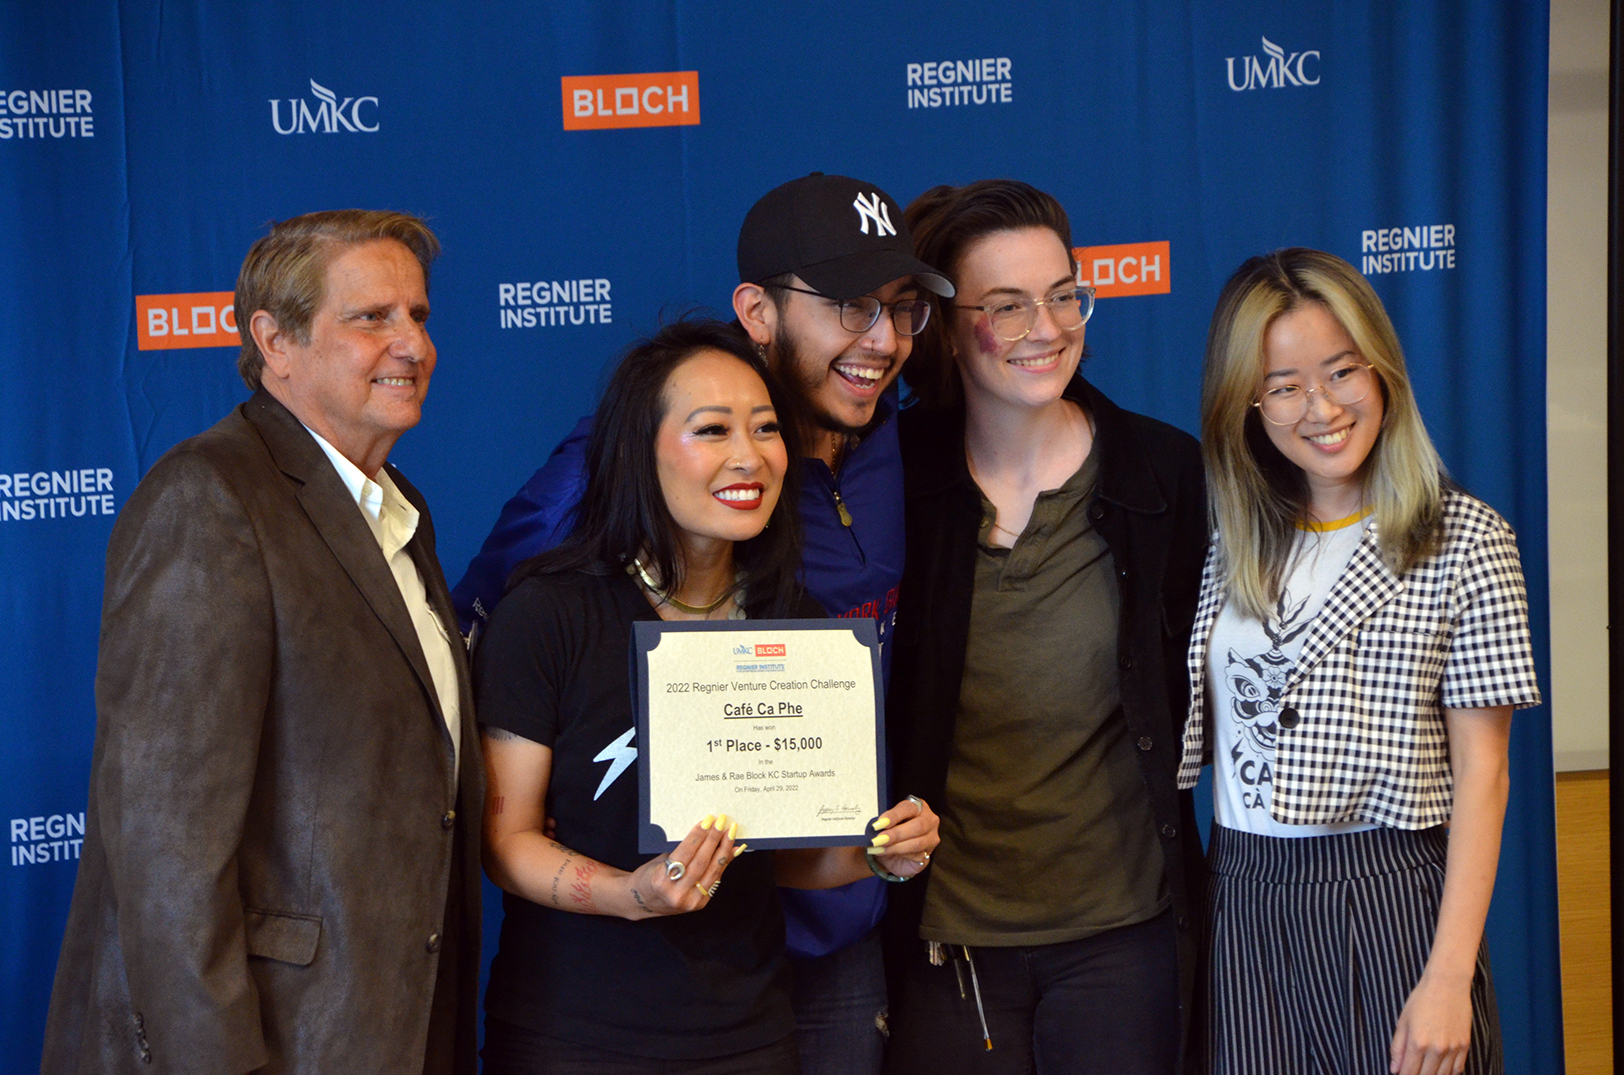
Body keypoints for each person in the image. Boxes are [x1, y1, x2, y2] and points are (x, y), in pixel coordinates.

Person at [452, 173, 954, 1075]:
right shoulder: (596, 503)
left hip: (803, 958)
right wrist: (611, 863)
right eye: (849, 306)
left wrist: (880, 851)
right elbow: (481, 631)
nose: (882, 340)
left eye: (901, 309)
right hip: (600, 997)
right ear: (759, 312)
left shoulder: (889, 445)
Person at [40, 210, 483, 1074]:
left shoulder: (400, 509)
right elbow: (166, 851)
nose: (414, 345)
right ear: (275, 341)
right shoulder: (209, 500)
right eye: (372, 317)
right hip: (267, 1046)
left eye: (419, 316)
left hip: (391, 1029)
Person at [1180, 248, 1541, 1075]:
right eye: (1283, 385)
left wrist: (1447, 975)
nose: (1322, 407)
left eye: (1342, 370)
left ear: (1382, 371)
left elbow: (1483, 775)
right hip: (1241, 890)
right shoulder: (1234, 540)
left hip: (1386, 890)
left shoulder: (1465, 540)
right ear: (1248, 404)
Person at [882, 180, 1209, 1075]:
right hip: (947, 940)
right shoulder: (891, 479)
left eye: (1063, 295)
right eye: (1007, 305)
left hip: (1125, 937)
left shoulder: (1164, 473)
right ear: (948, 328)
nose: (1048, 327)